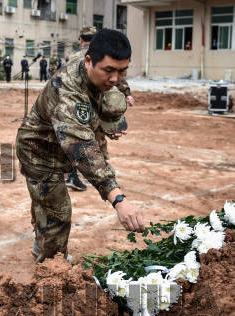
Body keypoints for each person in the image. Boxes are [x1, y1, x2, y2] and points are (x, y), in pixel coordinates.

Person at [15, 29, 145, 263]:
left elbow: (113, 82)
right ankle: (51, 268)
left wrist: (120, 98)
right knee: (58, 213)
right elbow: (81, 148)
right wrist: (118, 199)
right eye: (109, 71)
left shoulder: (96, 59)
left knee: (46, 201)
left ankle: (41, 242)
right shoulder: (69, 91)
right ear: (88, 61)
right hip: (39, 151)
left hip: (59, 142)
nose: (115, 78)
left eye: (122, 71)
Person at [65, 26, 134, 191]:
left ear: (81, 39)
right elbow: (115, 79)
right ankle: (94, 175)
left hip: (76, 104)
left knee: (78, 137)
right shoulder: (101, 54)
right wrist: (126, 93)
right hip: (91, 104)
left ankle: (77, 174)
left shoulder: (73, 56)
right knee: (90, 139)